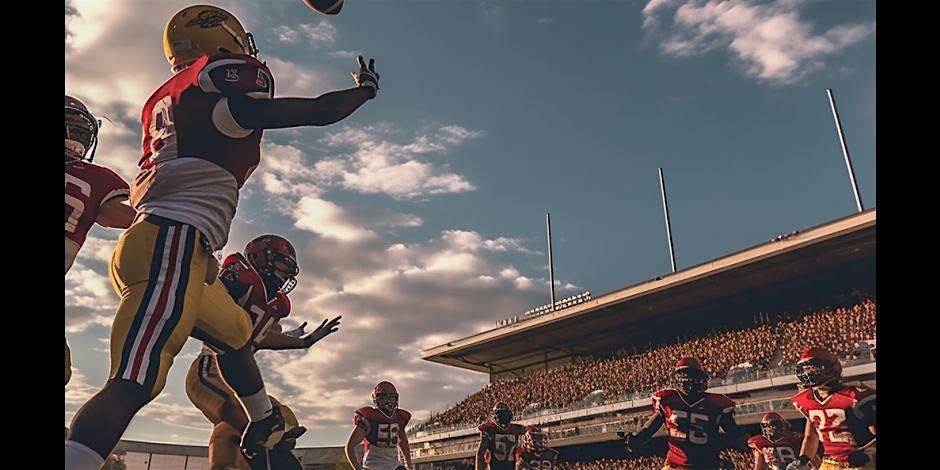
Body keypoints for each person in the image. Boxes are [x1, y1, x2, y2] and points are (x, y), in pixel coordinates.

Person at [64, 5, 380, 469]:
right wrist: (365, 92)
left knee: (235, 335)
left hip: (179, 247)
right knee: (134, 380)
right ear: (221, 43)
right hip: (171, 241)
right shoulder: (223, 102)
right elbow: (319, 111)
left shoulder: (172, 101)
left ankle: (264, 420)